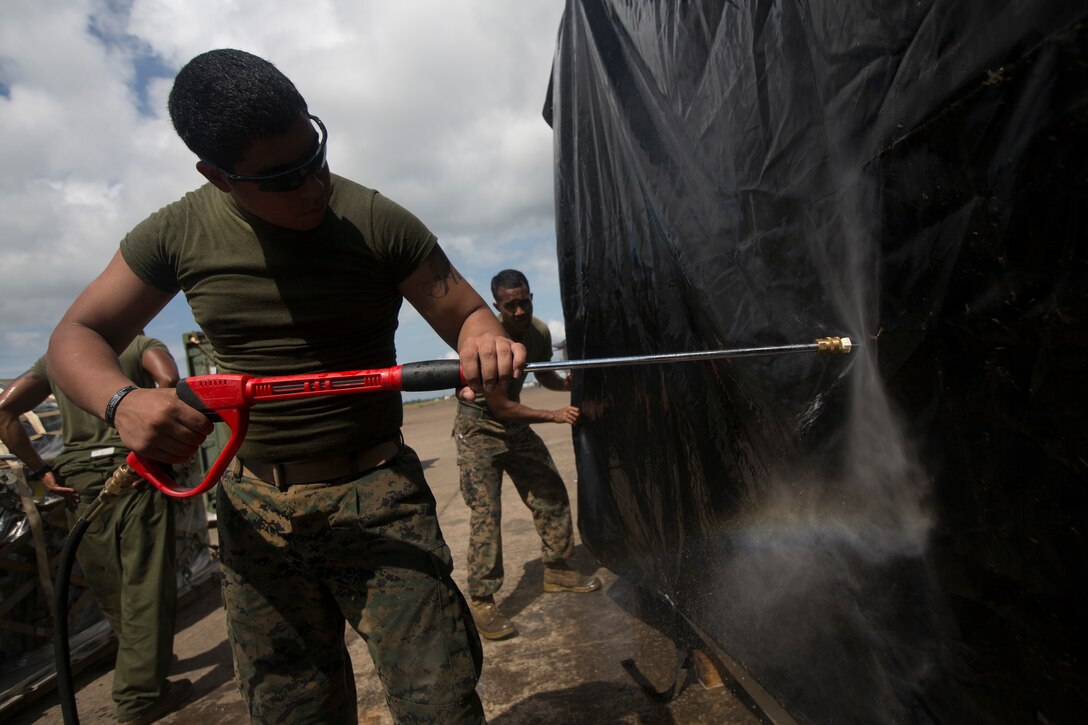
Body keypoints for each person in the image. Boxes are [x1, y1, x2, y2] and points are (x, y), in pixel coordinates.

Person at [45, 49, 525, 724]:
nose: (312, 186)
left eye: (315, 156)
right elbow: (75, 334)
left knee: (439, 701)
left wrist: (481, 338)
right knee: (292, 706)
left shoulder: (376, 220)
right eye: (281, 177)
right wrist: (122, 402)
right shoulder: (178, 232)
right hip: (254, 511)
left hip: (381, 497)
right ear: (217, 176)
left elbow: (468, 315)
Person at [0, 335, 192, 725]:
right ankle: (141, 695)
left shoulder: (57, 359)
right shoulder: (139, 346)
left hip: (79, 482)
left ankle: (147, 662)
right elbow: (169, 381)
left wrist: (40, 469)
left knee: (109, 584)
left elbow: (4, 411)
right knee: (145, 581)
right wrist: (156, 449)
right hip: (133, 472)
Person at [453, 269, 601, 640]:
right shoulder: (491, 338)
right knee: (487, 513)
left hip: (514, 423)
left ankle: (556, 568)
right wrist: (552, 415)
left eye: (524, 301)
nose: (519, 311)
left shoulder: (537, 332)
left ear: (531, 296)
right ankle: (483, 599)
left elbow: (540, 375)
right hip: (480, 427)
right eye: (510, 305)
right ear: (496, 306)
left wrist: (562, 382)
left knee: (549, 490)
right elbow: (500, 406)